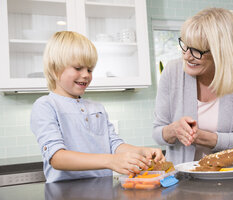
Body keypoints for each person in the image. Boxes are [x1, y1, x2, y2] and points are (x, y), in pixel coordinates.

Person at [30, 31, 165, 183]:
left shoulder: (97, 108)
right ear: (55, 69)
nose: (86, 75)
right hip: (65, 193)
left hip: (103, 190)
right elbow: (57, 157)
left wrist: (141, 151)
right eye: (78, 68)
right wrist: (110, 161)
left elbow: (114, 145)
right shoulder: (46, 106)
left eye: (89, 69)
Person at [153, 8, 233, 165]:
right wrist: (174, 130)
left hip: (232, 177)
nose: (187, 55)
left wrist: (199, 136)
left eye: (196, 50)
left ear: (221, 52)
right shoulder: (172, 71)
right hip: (182, 178)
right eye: (185, 45)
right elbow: (157, 133)